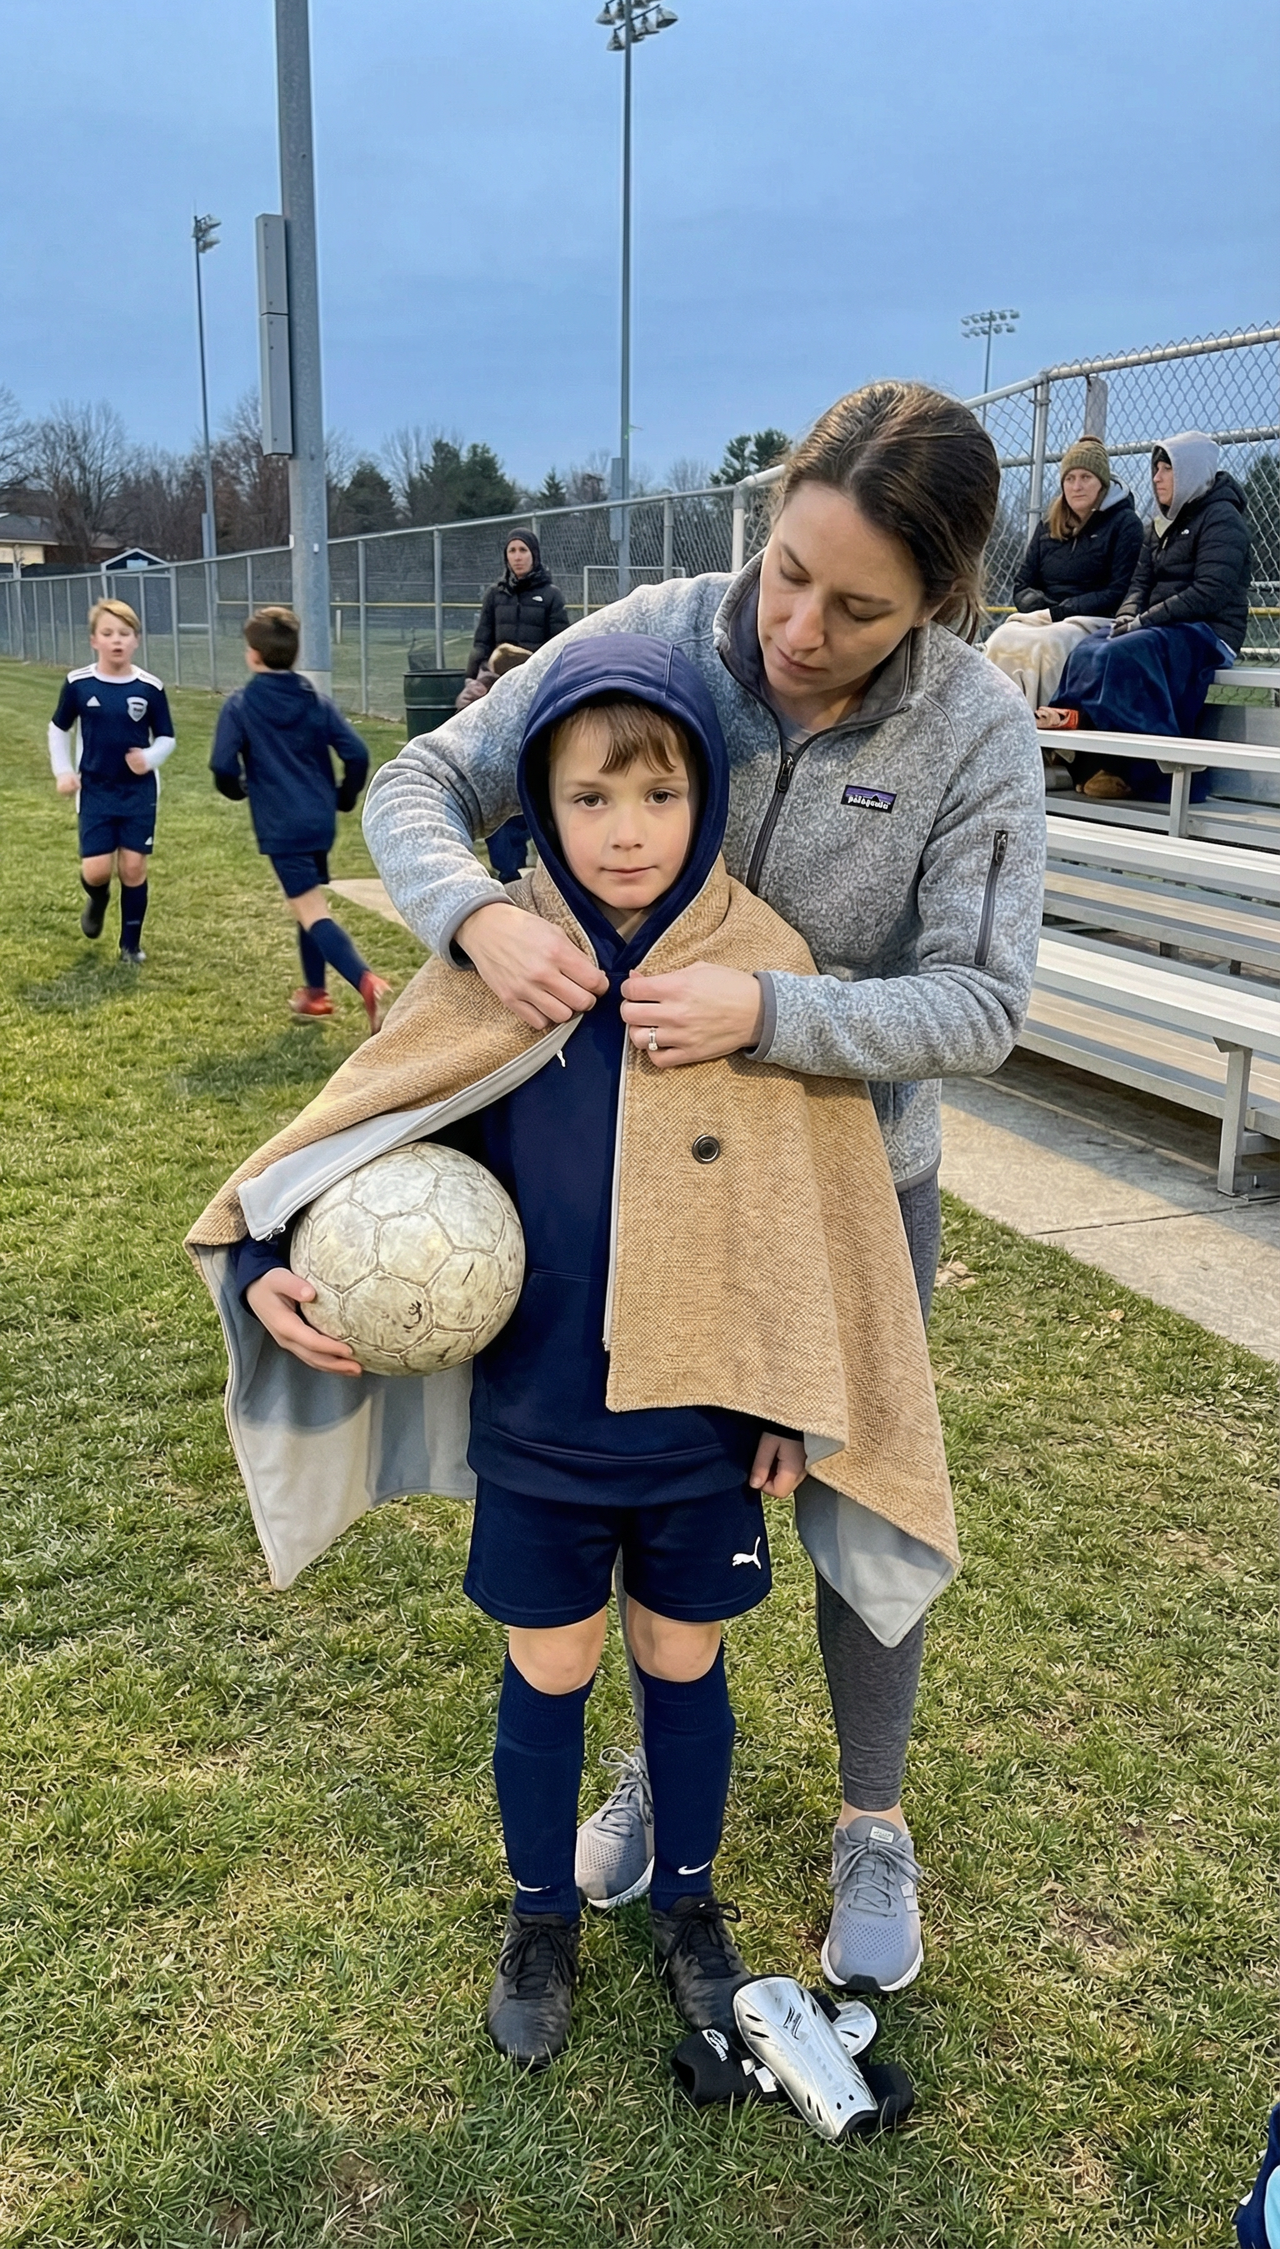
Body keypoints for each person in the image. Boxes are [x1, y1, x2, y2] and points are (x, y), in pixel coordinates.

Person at [361, 381, 1048, 1999]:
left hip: (850, 1187)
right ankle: (666, 1771)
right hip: (633, 1180)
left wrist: (772, 1011)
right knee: (665, 1495)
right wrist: (475, 914)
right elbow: (416, 788)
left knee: (863, 1495)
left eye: (859, 608)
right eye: (790, 569)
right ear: (774, 510)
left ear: (939, 602)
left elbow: (983, 1004)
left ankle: (872, 1818)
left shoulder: (976, 732)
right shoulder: (655, 637)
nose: (800, 627)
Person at [185, 634, 952, 2072]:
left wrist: (793, 1394)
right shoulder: (505, 956)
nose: (625, 830)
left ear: (706, 795)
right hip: (542, 1414)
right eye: (589, 797)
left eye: (658, 794)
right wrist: (271, 1245)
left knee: (681, 1654)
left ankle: (688, 1904)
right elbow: (374, 1119)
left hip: (698, 1425)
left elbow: (814, 1216)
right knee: (551, 1661)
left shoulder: (757, 967)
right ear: (538, 798)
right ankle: (539, 1915)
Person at [1037, 432, 1252, 801]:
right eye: (1156, 469)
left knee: (1124, 652)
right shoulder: (1160, 523)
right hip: (1161, 625)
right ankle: (1072, 730)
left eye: (1167, 469)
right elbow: (1139, 583)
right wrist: (1127, 617)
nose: (1157, 478)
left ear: (1189, 471)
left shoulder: (1222, 519)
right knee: (1089, 647)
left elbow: (1209, 592)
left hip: (1209, 630)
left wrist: (1145, 621)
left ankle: (1141, 768)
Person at [209, 605, 393, 1032]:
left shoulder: (241, 704)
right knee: (305, 903)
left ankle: (365, 980)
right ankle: (316, 994)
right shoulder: (314, 700)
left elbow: (221, 765)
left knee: (311, 910)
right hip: (318, 821)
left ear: (253, 654)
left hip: (282, 825)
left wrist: (237, 788)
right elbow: (357, 753)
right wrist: (343, 797)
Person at [983, 437, 1141, 786]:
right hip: (1046, 615)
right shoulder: (1048, 524)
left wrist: (1066, 609)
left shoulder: (1124, 524)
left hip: (1093, 619)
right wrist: (1039, 605)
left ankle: (1055, 751)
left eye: (1086, 477)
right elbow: (1022, 584)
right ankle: (1000, 742)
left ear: (1102, 483)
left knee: (1050, 645)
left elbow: (1120, 590)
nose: (1077, 486)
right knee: (1001, 638)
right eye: (1070, 478)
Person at [47, 597, 175, 964]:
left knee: (133, 867)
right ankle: (98, 899)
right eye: (107, 633)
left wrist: (149, 758)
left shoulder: (150, 687)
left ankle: (130, 946)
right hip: (95, 790)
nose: (116, 640)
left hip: (138, 792)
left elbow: (167, 738)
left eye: (124, 633)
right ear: (94, 640)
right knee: (97, 870)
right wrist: (63, 771)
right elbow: (58, 729)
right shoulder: (78, 684)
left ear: (136, 640)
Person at [455, 642, 535, 882]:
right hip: (497, 774)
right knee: (507, 826)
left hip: (511, 774)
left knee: (511, 825)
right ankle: (510, 873)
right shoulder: (485, 697)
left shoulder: (502, 696)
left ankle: (511, 871)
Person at [467, 531, 570, 678]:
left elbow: (559, 644)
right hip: (499, 678)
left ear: (534, 554)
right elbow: (482, 643)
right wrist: (471, 677)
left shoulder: (551, 594)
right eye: (512, 551)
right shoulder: (494, 594)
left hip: (536, 676)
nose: (517, 557)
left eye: (523, 550)